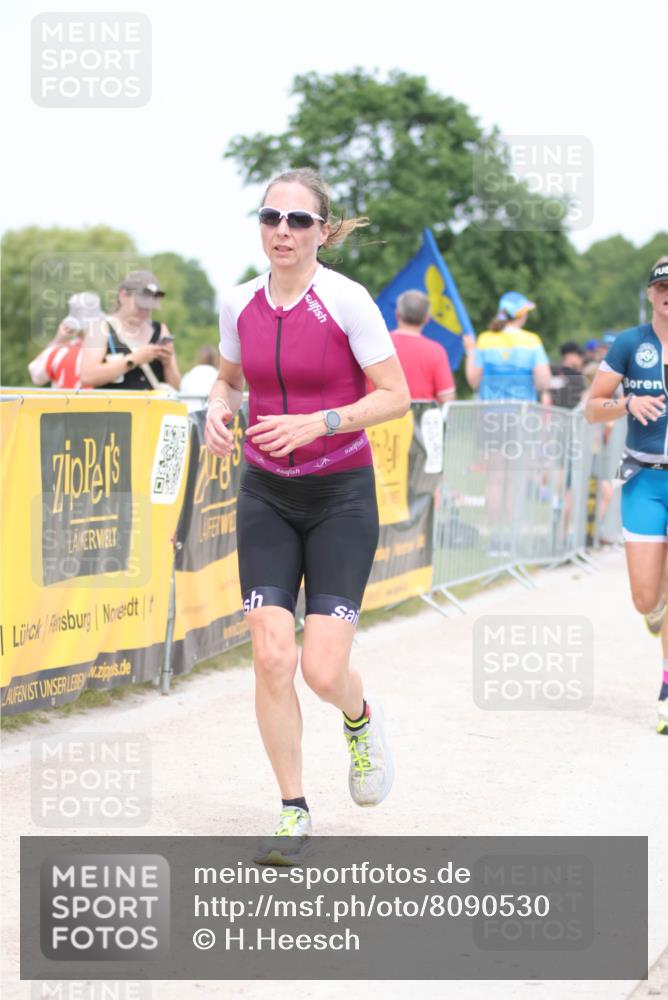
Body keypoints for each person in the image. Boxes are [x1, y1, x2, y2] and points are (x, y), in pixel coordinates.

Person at [204, 167, 410, 861]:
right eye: (270, 218)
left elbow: (394, 396)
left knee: (323, 671)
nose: (282, 232)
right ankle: (292, 806)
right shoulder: (238, 304)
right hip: (265, 492)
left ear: (323, 230)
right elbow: (230, 384)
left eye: (297, 221)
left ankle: (358, 718)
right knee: (270, 655)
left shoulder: (347, 301)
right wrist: (215, 411)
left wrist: (319, 423)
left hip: (340, 497)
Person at [586, 256, 668, 735]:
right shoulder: (629, 343)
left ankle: (665, 689)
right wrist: (627, 403)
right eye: (662, 286)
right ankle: (655, 610)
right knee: (645, 598)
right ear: (651, 293)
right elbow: (592, 409)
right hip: (645, 480)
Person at [80, 270, 181, 390]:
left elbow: (175, 387)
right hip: (116, 408)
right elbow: (87, 377)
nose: (144, 313)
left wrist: (168, 363)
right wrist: (134, 360)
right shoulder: (100, 328)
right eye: (140, 306)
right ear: (123, 296)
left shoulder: (161, 329)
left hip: (155, 407)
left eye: (149, 308)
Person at [462, 291, 552, 402]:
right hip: (523, 414)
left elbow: (474, 382)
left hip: (489, 414)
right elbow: (543, 383)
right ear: (522, 314)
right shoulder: (532, 341)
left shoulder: (485, 339)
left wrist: (471, 351)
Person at [381, 289, 455, 402]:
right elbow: (447, 398)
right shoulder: (436, 351)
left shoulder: (379, 344)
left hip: (381, 417)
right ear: (426, 319)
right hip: (420, 418)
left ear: (397, 314)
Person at [28, 291, 102, 389]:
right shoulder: (104, 351)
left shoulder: (59, 351)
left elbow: (36, 375)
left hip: (60, 404)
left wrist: (57, 341)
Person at [179, 345, 219, 412]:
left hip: (189, 415)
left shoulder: (189, 375)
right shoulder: (219, 376)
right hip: (210, 414)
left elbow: (182, 393)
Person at [549, 341, 587, 410]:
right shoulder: (552, 371)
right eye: (579, 355)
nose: (582, 359)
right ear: (569, 355)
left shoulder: (551, 370)